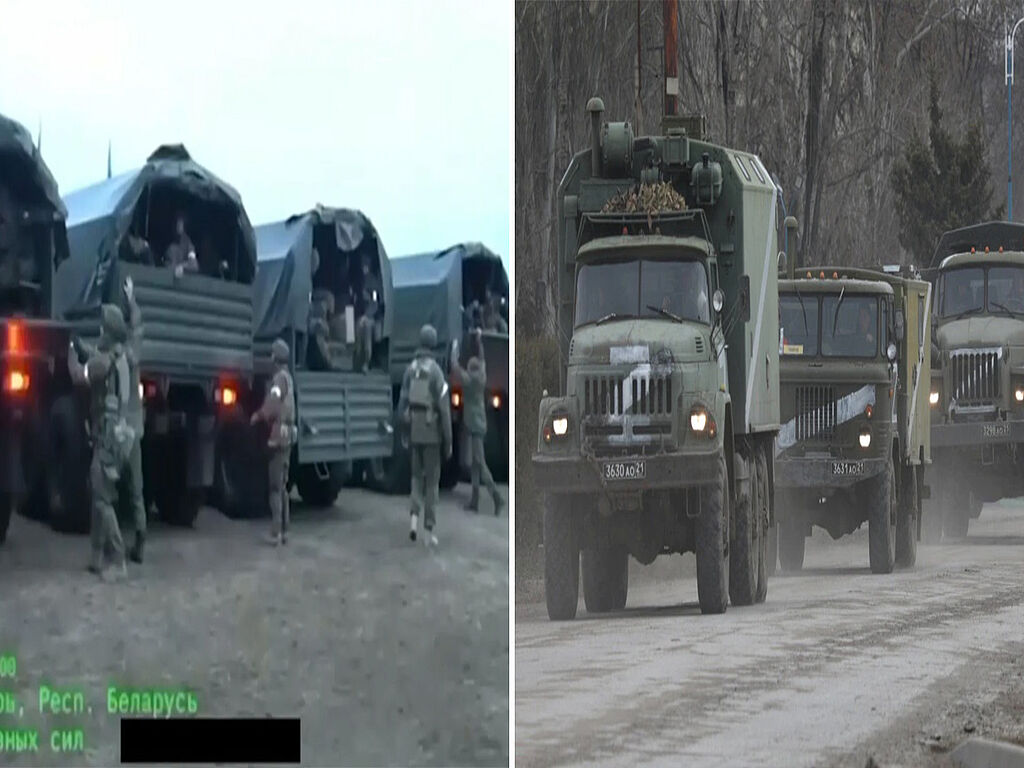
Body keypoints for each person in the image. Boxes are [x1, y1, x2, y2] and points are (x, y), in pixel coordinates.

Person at [68, 304, 136, 581]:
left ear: (108, 331)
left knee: (101, 498)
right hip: (116, 435)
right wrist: (83, 346)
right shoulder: (120, 356)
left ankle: (117, 559)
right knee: (100, 493)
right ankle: (97, 555)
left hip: (107, 437)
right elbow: (96, 355)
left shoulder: (103, 362)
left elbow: (79, 375)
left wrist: (71, 352)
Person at [398, 324, 452, 546]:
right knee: (432, 482)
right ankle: (429, 530)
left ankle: (412, 522)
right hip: (432, 434)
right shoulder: (436, 372)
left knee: (415, 479)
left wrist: (404, 431)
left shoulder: (410, 369)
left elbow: (402, 404)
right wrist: (448, 440)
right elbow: (444, 409)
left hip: (414, 432)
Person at [450, 328, 504, 515]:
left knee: (479, 463)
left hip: (473, 424)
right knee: (474, 463)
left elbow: (454, 367)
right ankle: (474, 500)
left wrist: (454, 348)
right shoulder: (481, 376)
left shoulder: (469, 381)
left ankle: (496, 496)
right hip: (480, 423)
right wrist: (479, 341)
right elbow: (482, 359)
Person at [251, 339, 297, 546]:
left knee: (275, 488)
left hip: (278, 437)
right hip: (288, 436)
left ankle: (275, 532)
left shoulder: (278, 380)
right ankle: (285, 531)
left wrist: (259, 415)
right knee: (283, 485)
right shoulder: (289, 377)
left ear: (275, 358)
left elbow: (273, 402)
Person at [121, 276, 146, 563]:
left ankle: (106, 547)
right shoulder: (133, 355)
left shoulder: (114, 356)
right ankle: (140, 538)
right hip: (135, 429)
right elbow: (138, 328)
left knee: (105, 490)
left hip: (118, 431)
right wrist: (132, 299)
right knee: (136, 489)